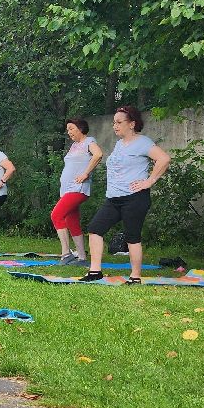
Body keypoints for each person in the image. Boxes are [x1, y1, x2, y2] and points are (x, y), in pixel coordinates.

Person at [82, 106, 169, 284]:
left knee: (132, 236)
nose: (115, 126)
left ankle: (135, 276)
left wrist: (150, 181)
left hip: (135, 198)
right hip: (114, 198)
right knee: (95, 229)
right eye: (114, 122)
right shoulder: (119, 144)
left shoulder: (143, 142)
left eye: (119, 122)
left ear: (132, 124)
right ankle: (95, 271)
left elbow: (164, 159)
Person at [52, 118, 102, 264]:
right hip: (67, 189)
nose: (69, 132)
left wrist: (86, 173)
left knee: (56, 215)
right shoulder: (74, 145)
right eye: (68, 130)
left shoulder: (89, 141)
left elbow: (98, 155)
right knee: (71, 220)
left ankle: (66, 253)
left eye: (71, 128)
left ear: (80, 128)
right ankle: (82, 257)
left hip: (78, 188)